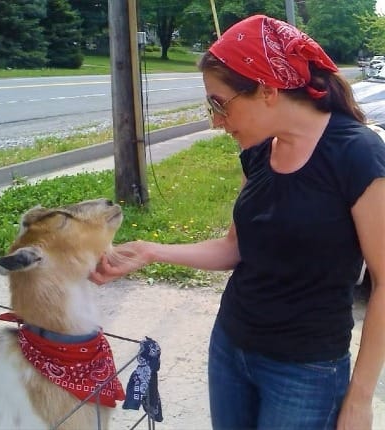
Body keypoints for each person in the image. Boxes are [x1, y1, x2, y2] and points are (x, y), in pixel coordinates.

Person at [91, 14, 385, 430]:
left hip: (305, 372)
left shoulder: (356, 153)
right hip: (231, 347)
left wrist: (359, 400)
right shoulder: (259, 152)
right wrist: (150, 251)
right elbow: (235, 247)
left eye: (219, 103)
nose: (214, 120)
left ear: (266, 89)